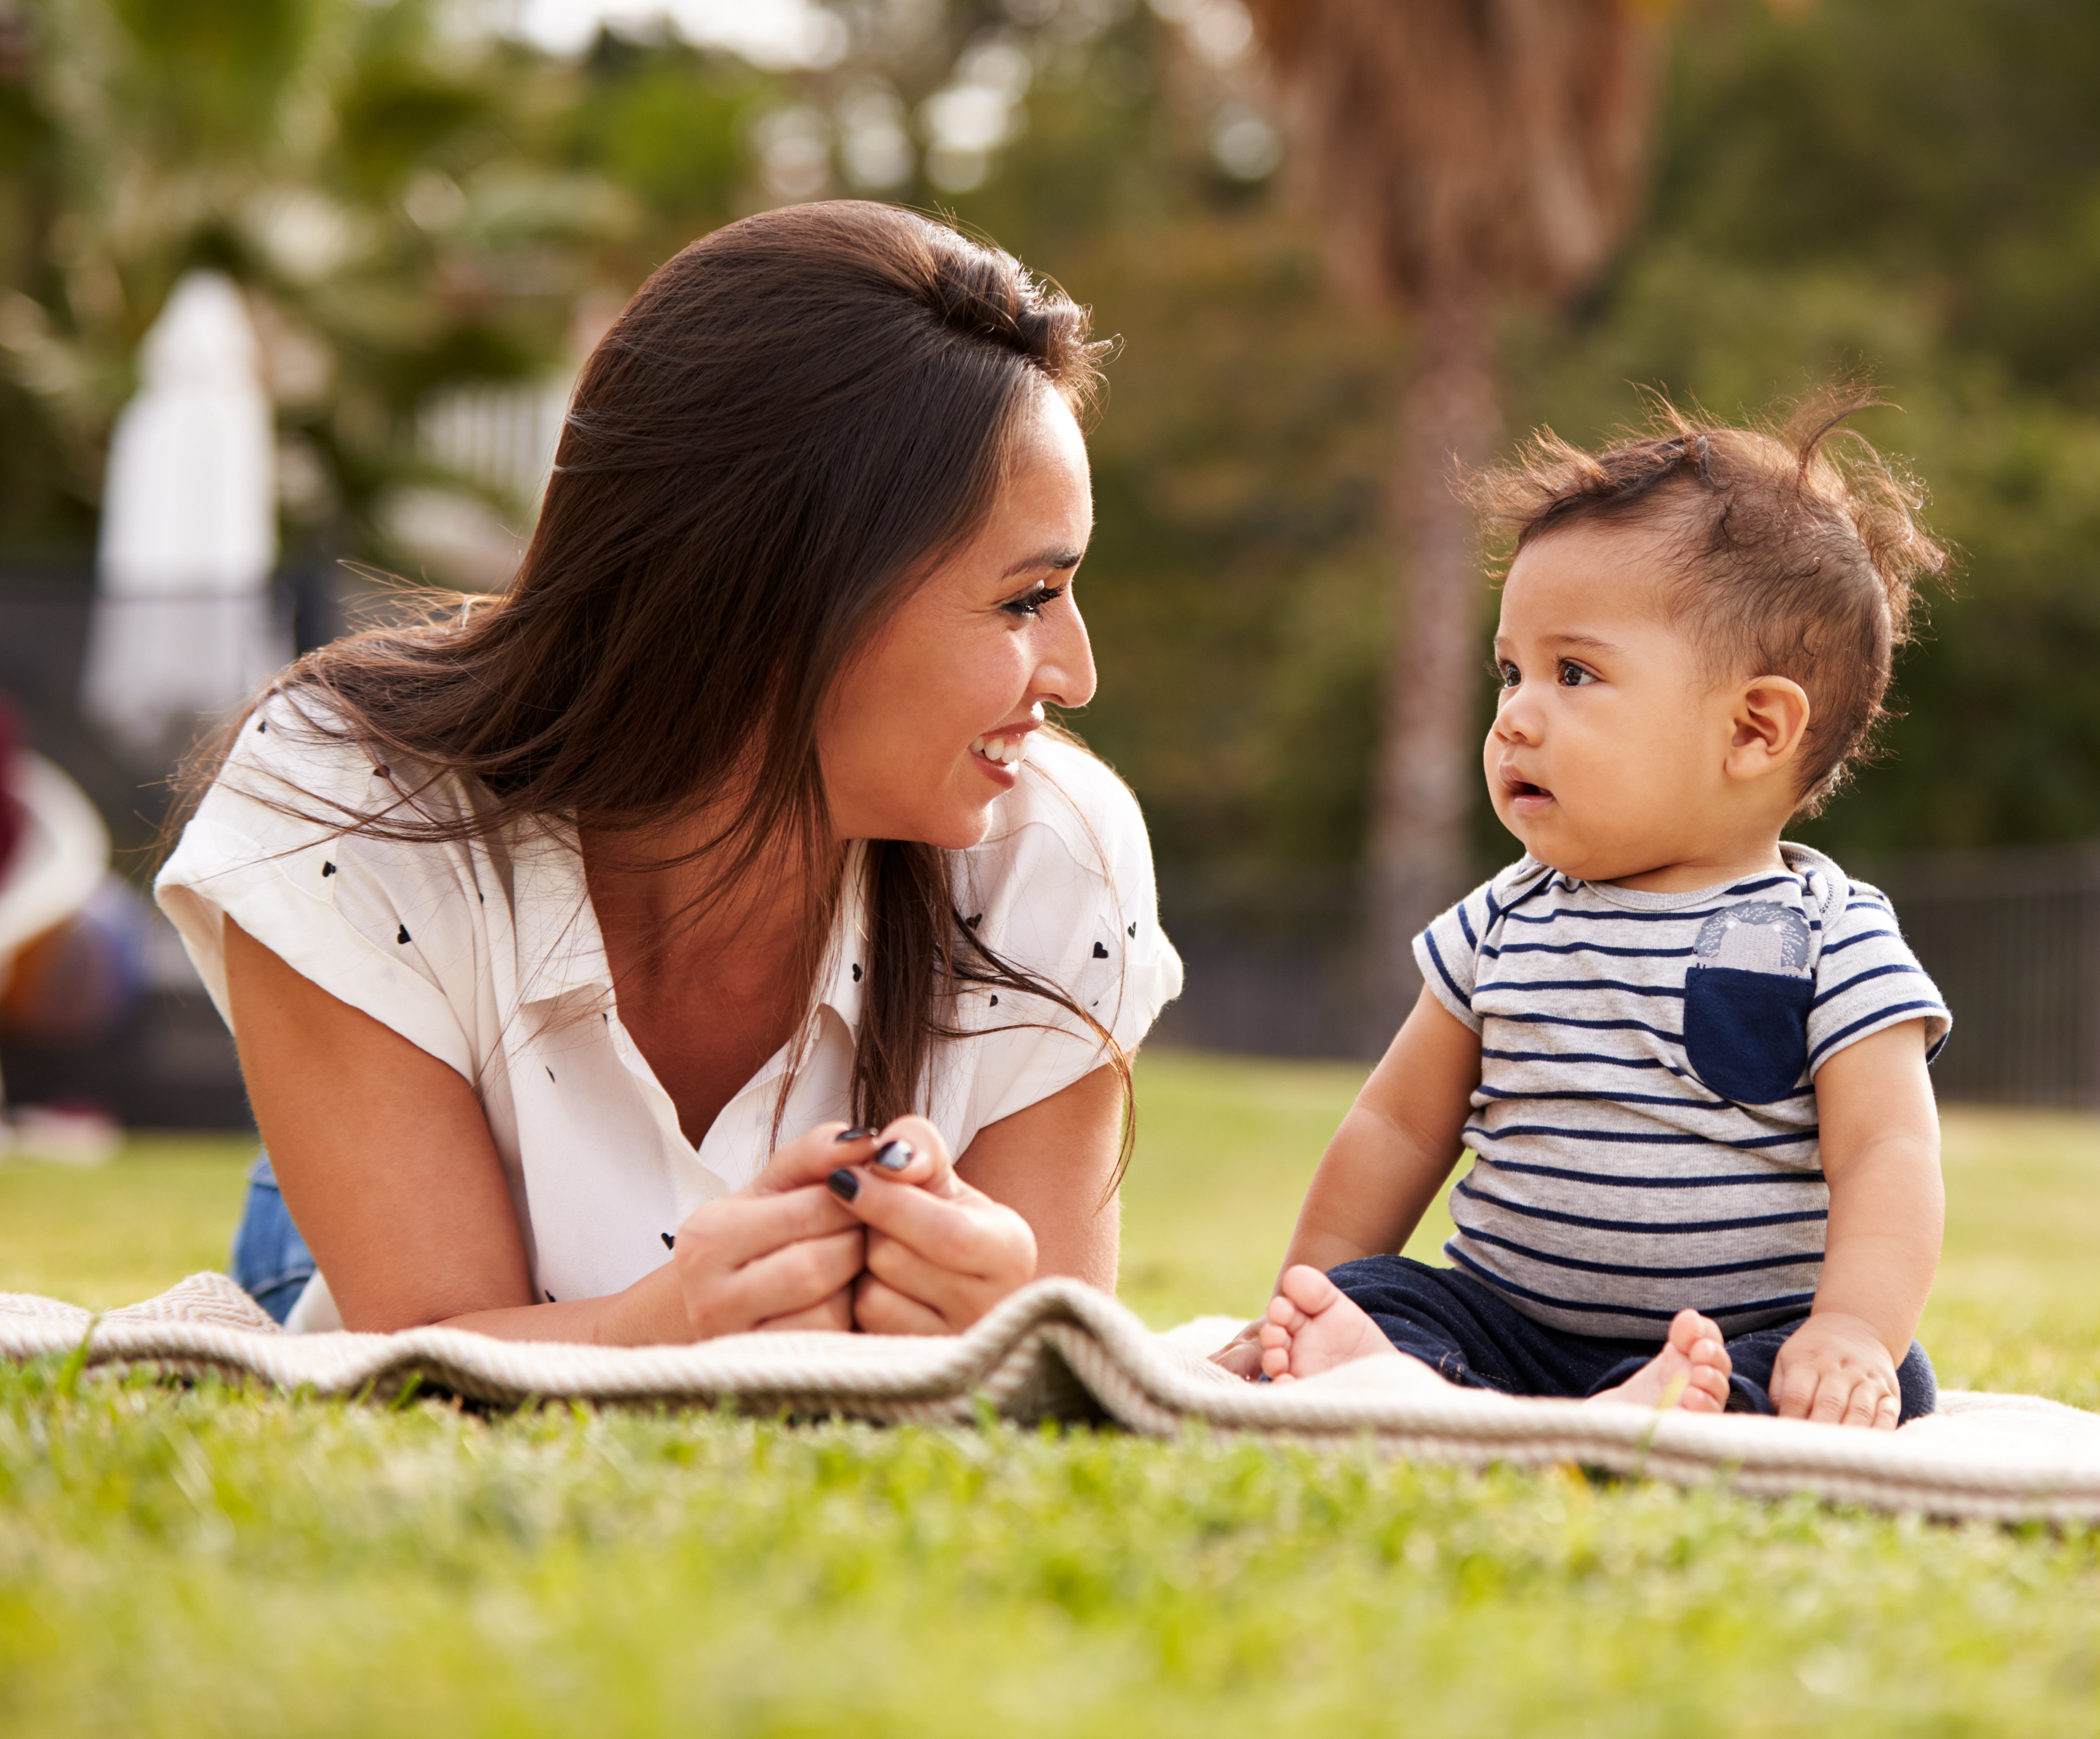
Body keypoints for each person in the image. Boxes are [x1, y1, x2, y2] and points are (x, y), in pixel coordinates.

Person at [157, 202, 1181, 1339]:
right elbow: (415, 1353)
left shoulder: (1058, 851)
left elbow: (1063, 1364)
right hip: (394, 1119)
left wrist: (1000, 1324)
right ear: (790, 588)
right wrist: (674, 1318)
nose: (1077, 675)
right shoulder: (349, 799)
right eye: (1026, 598)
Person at [1251, 388, 1951, 1426]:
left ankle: (1675, 1397)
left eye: (1572, 673)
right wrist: (1300, 1295)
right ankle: (1394, 1362)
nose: (1514, 718)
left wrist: (1850, 1327)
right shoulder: (1501, 920)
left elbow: (1887, 1152)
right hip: (1505, 1318)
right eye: (1509, 672)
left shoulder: (1829, 934)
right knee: (1375, 1302)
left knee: (1880, 1377)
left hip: (1740, 1324)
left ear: (1754, 729)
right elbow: (1396, 1127)